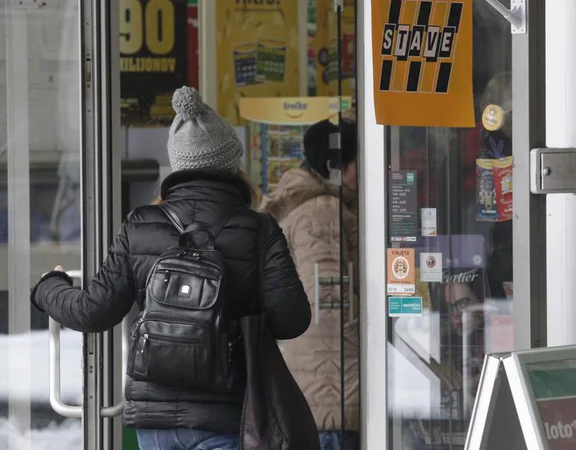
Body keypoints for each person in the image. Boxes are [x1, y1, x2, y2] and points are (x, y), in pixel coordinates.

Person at [30, 86, 314, 450]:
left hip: (155, 420)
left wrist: (48, 287)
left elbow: (93, 312)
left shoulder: (141, 224)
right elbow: (292, 319)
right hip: (227, 414)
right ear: (232, 163)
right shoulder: (259, 230)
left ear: (178, 164)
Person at [259, 118, 360, 450]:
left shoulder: (305, 205)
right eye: (359, 161)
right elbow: (330, 306)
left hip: (313, 389)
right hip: (333, 390)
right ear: (335, 166)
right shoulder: (322, 214)